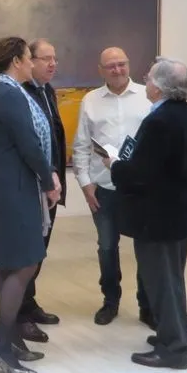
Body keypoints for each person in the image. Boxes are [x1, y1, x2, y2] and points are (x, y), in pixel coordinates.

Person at [105, 57, 187, 370]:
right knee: (172, 281)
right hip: (177, 215)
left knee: (161, 283)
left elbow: (140, 175)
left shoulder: (160, 121)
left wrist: (115, 165)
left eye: (149, 78)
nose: (145, 81)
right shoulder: (186, 114)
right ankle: (182, 335)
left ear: (158, 87)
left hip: (157, 219)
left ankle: (174, 348)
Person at [0, 36, 61, 373]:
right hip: (15, 187)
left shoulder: (5, 91)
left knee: (12, 263)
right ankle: (0, 345)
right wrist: (49, 180)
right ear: (16, 60)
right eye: (29, 58)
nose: (32, 64)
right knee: (26, 262)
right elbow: (28, 143)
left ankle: (11, 339)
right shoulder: (9, 93)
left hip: (11, 185)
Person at [71, 47, 153, 327]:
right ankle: (110, 301)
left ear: (129, 65)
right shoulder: (90, 100)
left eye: (122, 64)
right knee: (107, 247)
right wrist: (85, 184)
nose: (117, 70)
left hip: (139, 189)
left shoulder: (146, 96)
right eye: (111, 66)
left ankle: (146, 305)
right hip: (104, 189)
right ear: (101, 70)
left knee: (145, 249)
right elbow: (81, 145)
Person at [18, 38, 65, 342]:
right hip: (33, 186)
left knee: (40, 250)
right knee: (28, 253)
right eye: (46, 58)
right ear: (29, 61)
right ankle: (19, 314)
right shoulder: (20, 94)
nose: (52, 64)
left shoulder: (47, 91)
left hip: (51, 185)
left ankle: (29, 302)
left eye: (54, 58)